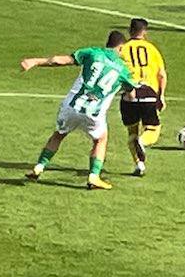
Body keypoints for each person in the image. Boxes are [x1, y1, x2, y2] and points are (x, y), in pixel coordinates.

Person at [22, 31, 138, 190]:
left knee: (58, 135)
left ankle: (39, 167)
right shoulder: (123, 69)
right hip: (94, 112)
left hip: (72, 106)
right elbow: (132, 95)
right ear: (121, 47)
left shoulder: (92, 53)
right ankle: (94, 177)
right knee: (100, 139)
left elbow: (58, 61)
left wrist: (35, 61)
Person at [119, 18, 167, 176]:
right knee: (153, 129)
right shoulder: (152, 49)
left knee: (132, 133)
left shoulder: (123, 49)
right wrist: (161, 96)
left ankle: (139, 165)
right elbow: (161, 75)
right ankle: (143, 141)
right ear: (144, 32)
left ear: (129, 31)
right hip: (148, 94)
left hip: (129, 95)